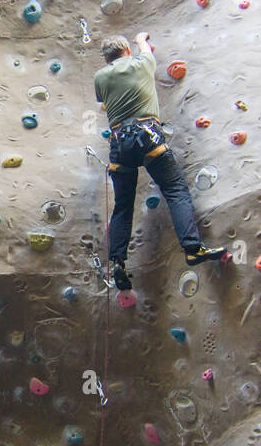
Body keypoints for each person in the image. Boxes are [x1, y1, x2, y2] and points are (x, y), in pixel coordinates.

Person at [94, 32, 227, 291]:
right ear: (126, 51)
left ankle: (119, 263)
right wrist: (141, 38)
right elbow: (144, 47)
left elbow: (102, 99)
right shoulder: (142, 63)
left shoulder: (100, 77)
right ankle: (192, 248)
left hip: (119, 142)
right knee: (175, 189)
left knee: (122, 206)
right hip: (147, 135)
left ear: (106, 58)